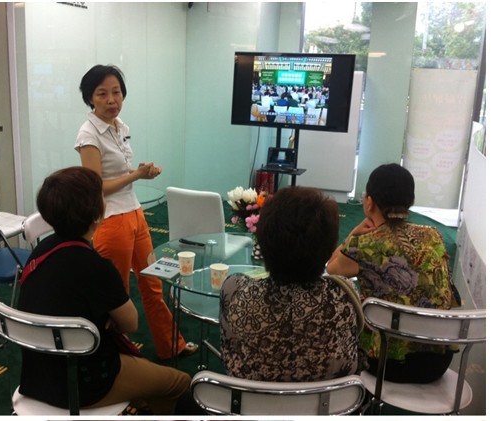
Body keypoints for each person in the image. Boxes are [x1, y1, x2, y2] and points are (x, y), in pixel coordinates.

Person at [18, 167, 191, 414]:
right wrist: (108, 319)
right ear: (97, 214)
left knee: (144, 389)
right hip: (85, 382)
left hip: (36, 377)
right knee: (181, 383)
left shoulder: (39, 252)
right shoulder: (96, 266)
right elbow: (131, 323)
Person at [74, 64, 196, 359]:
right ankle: (116, 357)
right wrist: (135, 176)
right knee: (117, 295)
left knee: (152, 283)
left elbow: (120, 172)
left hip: (135, 213)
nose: (111, 100)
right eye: (102, 93)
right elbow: (95, 187)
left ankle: (171, 346)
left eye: (116, 92)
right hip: (112, 220)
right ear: (90, 98)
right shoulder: (88, 134)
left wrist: (140, 172)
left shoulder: (119, 127)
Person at [326, 163, 454, 383]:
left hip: (385, 362)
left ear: (369, 202)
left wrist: (353, 235)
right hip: (438, 361)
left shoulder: (363, 244)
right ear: (410, 201)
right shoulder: (433, 235)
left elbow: (331, 268)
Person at [220, 186, 363, 382]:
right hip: (330, 400)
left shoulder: (235, 290)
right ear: (330, 247)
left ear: (262, 240)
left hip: (252, 399)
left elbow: (228, 353)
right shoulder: (345, 293)